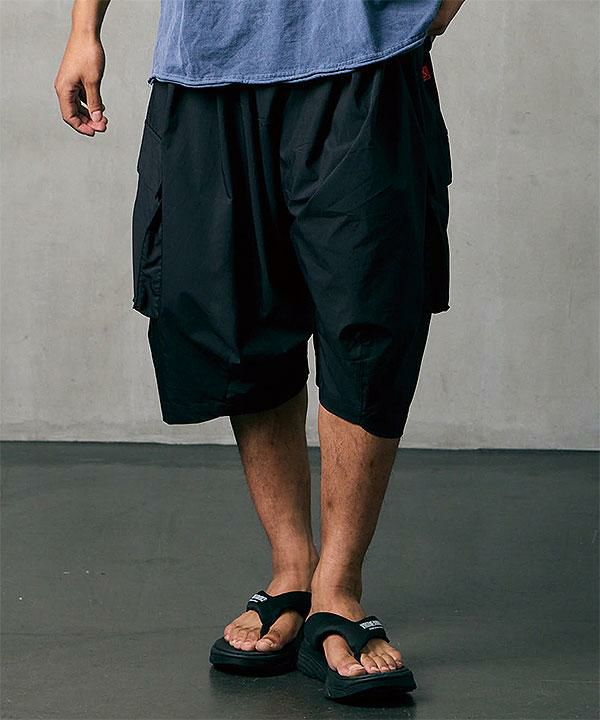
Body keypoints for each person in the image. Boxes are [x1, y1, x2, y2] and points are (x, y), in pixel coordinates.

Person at [55, 0, 466, 702]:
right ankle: (291, 570)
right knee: (238, 318)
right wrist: (83, 30)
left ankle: (339, 589)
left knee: (368, 320)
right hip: (207, 67)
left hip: (361, 63)